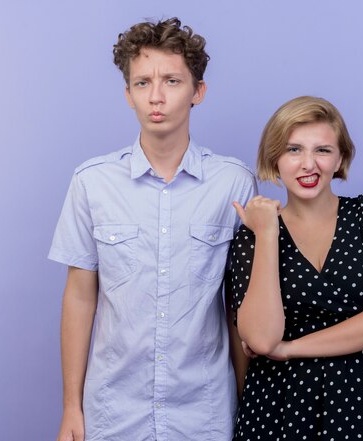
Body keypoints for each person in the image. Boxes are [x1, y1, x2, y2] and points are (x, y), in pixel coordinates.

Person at [48, 17, 256, 441]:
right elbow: (79, 298)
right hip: (113, 412)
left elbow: (240, 310)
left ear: (198, 91)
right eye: (142, 83)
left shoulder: (234, 183)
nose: (156, 97)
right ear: (128, 95)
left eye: (172, 81)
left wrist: (247, 404)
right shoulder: (92, 181)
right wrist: (72, 405)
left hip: (205, 413)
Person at [230, 96, 363, 440]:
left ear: (340, 158)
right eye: (294, 150)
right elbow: (260, 337)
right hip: (277, 407)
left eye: (322, 150)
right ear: (275, 158)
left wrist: (289, 349)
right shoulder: (253, 237)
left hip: (360, 404)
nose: (308, 164)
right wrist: (269, 233)